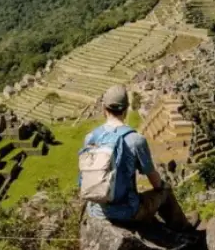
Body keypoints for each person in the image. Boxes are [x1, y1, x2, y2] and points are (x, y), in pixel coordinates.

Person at [82, 85, 198, 231]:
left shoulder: (90, 137)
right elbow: (154, 181)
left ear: (104, 109)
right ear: (126, 110)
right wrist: (163, 187)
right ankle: (183, 228)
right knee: (165, 191)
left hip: (97, 211)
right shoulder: (135, 140)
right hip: (127, 213)